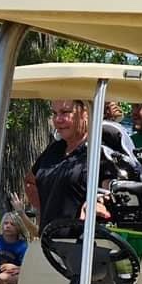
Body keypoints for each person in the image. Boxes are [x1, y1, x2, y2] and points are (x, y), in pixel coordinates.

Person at [25, 98, 103, 231]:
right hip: (48, 241)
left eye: (65, 112)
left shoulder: (98, 151)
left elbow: (109, 191)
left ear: (86, 113)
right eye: (55, 113)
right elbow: (30, 181)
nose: (58, 119)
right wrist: (44, 209)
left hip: (82, 245)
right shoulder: (54, 148)